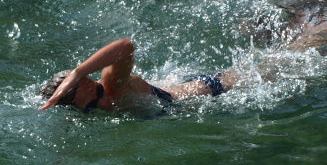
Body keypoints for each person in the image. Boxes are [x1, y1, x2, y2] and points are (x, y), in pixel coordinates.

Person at [39, 38, 237, 112]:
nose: (103, 102)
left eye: (99, 92)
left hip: (213, 89)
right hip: (176, 94)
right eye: (91, 106)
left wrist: (78, 72)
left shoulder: (113, 86)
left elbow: (125, 47)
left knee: (255, 73)